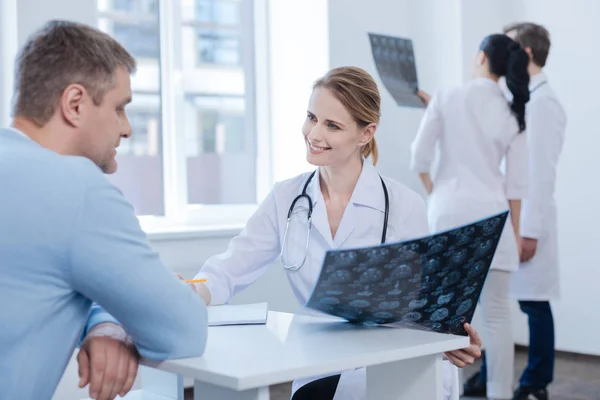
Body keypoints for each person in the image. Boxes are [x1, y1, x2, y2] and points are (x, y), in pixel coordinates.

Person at [189, 66, 483, 400]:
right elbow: (228, 269)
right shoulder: (285, 198)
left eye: (332, 125)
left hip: (395, 363)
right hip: (323, 364)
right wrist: (190, 294)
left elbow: (426, 305)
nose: (314, 133)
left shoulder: (403, 205)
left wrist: (452, 338)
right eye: (311, 117)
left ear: (365, 133)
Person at [0, 20, 208, 400]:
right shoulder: (73, 187)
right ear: (75, 103)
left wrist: (104, 321)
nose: (126, 129)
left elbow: (49, 270)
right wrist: (114, 322)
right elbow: (183, 330)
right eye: (120, 108)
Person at [411, 34, 530, 400]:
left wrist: (437, 193)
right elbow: (516, 185)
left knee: (446, 315)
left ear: (480, 57)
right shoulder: (513, 112)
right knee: (497, 315)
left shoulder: (447, 96)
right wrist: (516, 231)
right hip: (494, 220)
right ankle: (500, 395)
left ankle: (447, 392)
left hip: (448, 214)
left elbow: (418, 157)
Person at [463, 23, 567, 400]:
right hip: (509, 218)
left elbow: (538, 176)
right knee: (499, 305)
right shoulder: (521, 102)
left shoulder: (542, 105)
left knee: (534, 305)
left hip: (528, 222)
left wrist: (529, 231)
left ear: (523, 55)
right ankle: (490, 374)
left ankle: (536, 383)